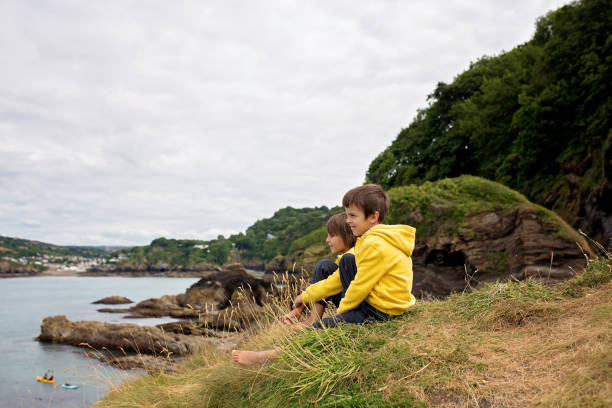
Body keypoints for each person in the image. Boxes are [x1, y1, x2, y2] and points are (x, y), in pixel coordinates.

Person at [232, 184, 416, 366]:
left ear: (373, 217)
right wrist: (305, 296)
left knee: (321, 328)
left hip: (382, 312)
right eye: (347, 214)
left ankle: (271, 356)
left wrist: (341, 316)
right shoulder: (369, 240)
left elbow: (360, 286)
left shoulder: (375, 244)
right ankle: (313, 327)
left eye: (353, 215)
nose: (348, 220)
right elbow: (336, 280)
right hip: (378, 304)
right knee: (346, 262)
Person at [281, 213, 356, 330]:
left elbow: (330, 285)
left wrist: (303, 298)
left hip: (358, 307)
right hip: (350, 300)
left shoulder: (352, 256)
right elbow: (328, 284)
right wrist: (301, 307)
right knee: (324, 266)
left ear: (347, 235)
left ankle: (312, 321)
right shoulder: (346, 256)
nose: (327, 240)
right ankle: (314, 318)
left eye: (332, 235)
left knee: (324, 268)